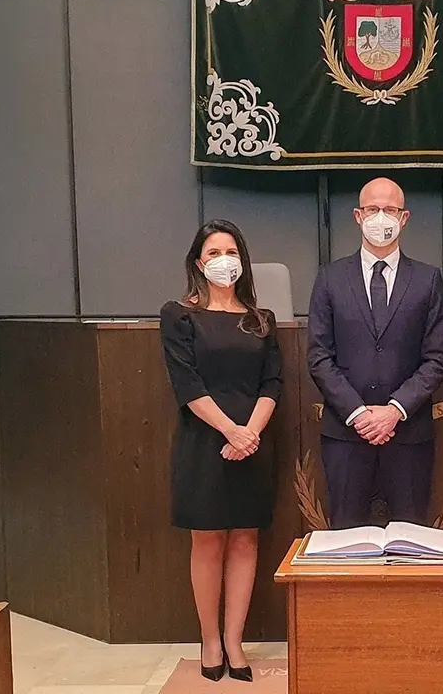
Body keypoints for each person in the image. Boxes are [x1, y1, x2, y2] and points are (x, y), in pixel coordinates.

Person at [160, 220, 282, 684]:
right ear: (198, 261)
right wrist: (230, 431)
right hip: (204, 440)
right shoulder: (179, 315)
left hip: (253, 440)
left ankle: (234, 640)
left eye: (231, 252)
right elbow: (186, 383)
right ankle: (209, 640)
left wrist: (249, 433)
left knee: (246, 538)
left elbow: (272, 383)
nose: (223, 260)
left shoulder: (261, 319)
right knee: (208, 539)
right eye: (213, 253)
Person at [307, 177, 443, 529]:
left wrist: (394, 411)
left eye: (390, 209)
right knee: (346, 541)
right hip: (345, 434)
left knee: (410, 540)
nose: (381, 217)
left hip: (408, 434)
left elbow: (436, 359)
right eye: (372, 209)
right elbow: (319, 357)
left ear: (404, 218)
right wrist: (358, 414)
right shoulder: (330, 278)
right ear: (358, 216)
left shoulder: (428, 279)